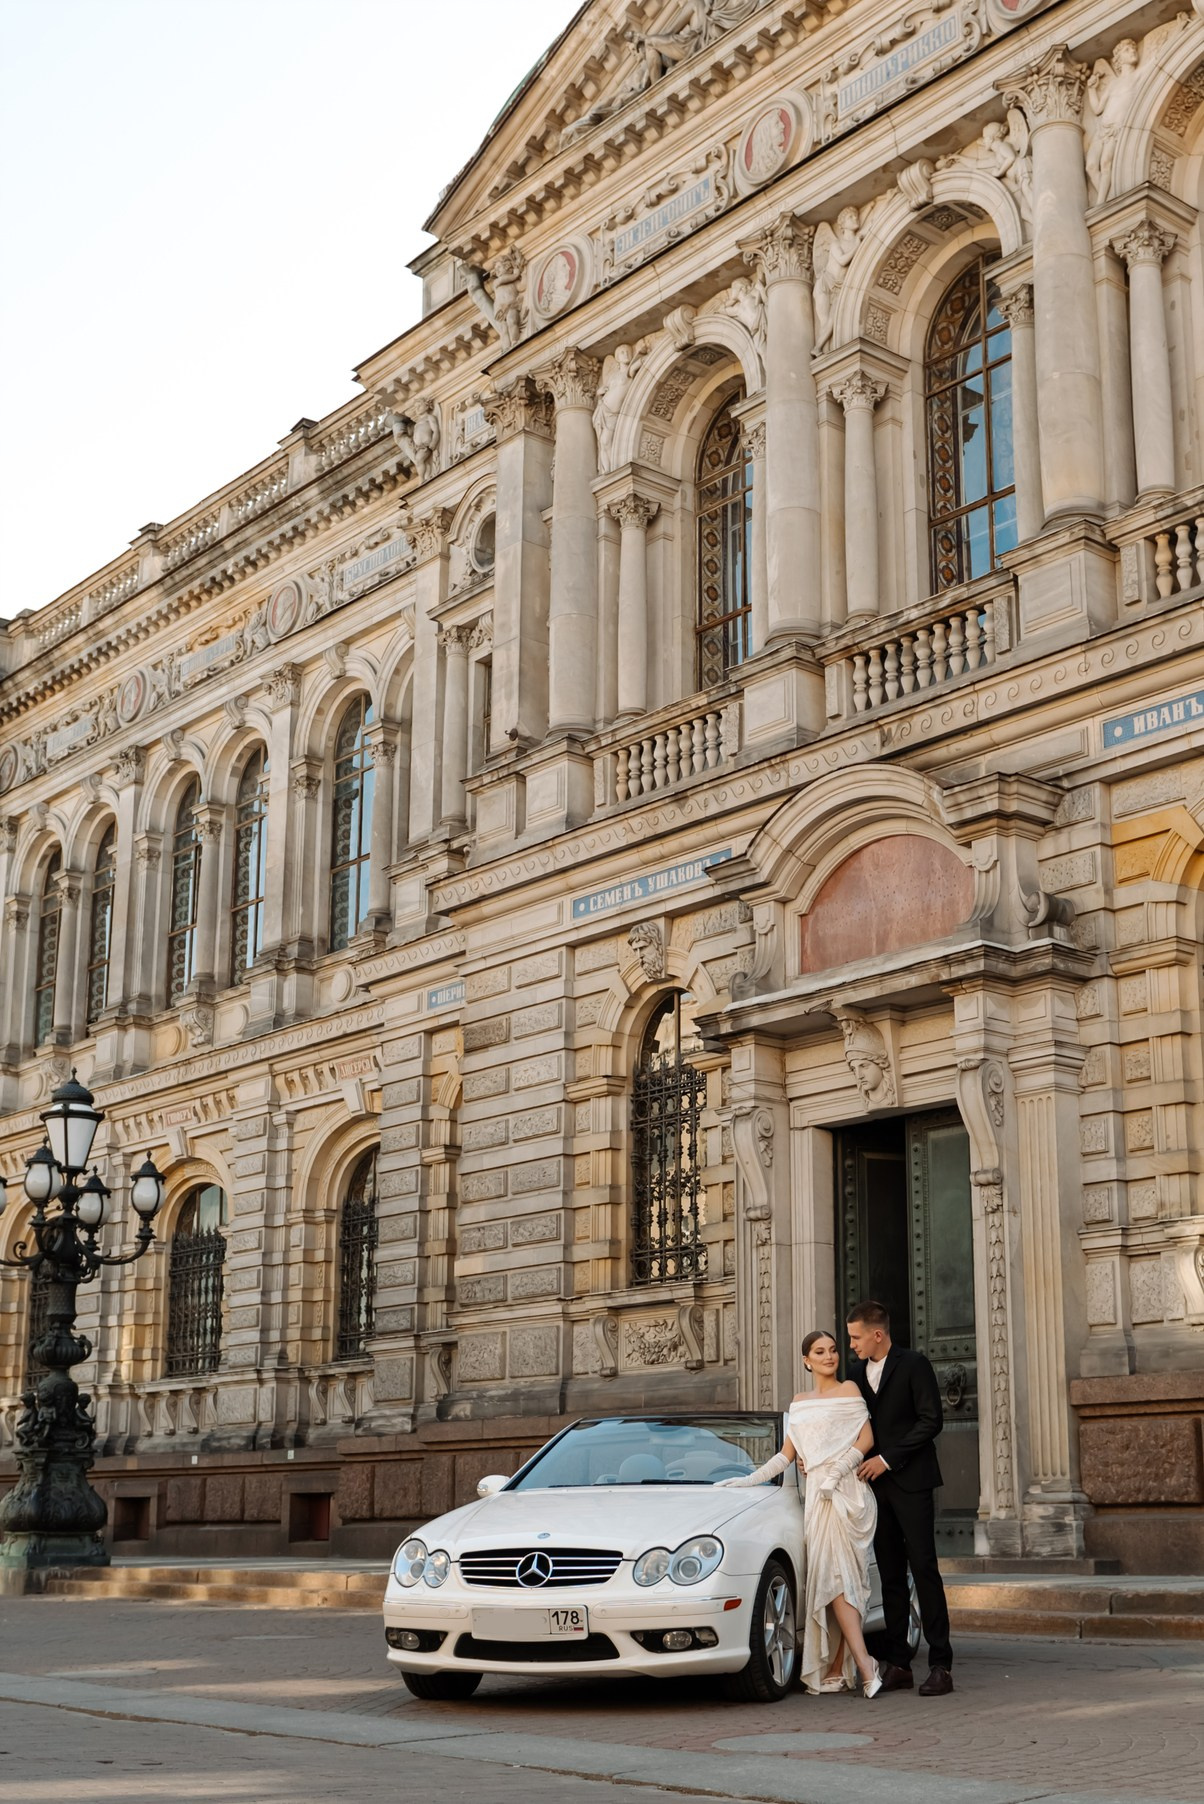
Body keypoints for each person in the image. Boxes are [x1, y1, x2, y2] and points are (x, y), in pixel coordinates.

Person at [719, 1330, 882, 1697]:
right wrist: (748, 1480)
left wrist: (837, 1472)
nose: (829, 1356)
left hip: (848, 1496)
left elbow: (867, 1439)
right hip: (818, 1502)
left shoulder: (849, 1391)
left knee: (844, 1581)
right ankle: (849, 1665)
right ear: (807, 1360)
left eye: (833, 1350)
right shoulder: (800, 1402)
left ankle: (860, 1664)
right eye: (820, 1352)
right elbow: (785, 1456)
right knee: (832, 1581)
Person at [847, 1300, 954, 1696]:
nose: (851, 1344)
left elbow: (931, 1420)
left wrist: (887, 1459)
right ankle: (899, 1664)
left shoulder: (914, 1364)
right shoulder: (855, 1374)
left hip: (912, 1482)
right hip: (874, 1489)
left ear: (878, 1334)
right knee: (890, 1574)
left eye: (856, 1337)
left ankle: (941, 1665)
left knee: (924, 1569)